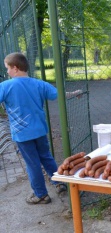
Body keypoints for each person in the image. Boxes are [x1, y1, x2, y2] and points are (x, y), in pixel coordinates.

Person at [1, 52, 68, 205]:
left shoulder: (5, 86)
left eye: (7, 68)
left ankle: (41, 194)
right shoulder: (39, 84)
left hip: (22, 134)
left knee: (32, 163)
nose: (7, 72)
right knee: (46, 157)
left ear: (15, 68)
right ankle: (58, 182)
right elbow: (58, 95)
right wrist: (75, 93)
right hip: (39, 130)